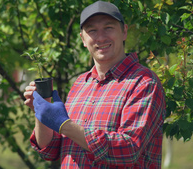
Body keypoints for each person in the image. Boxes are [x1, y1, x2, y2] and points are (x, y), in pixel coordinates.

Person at [23, 1, 166, 168]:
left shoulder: (144, 83)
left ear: (124, 31)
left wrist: (64, 125)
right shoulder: (80, 83)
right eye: (92, 31)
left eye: (108, 28)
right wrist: (42, 113)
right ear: (83, 39)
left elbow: (129, 149)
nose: (101, 37)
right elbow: (50, 150)